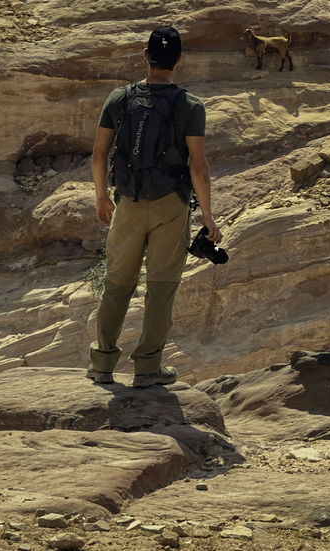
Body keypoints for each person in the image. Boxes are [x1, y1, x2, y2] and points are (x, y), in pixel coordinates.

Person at [87, 25, 221, 387]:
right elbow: (198, 167)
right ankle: (147, 368)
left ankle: (102, 363)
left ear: (146, 56)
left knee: (117, 284)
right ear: (178, 60)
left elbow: (99, 155)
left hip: (127, 204)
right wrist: (208, 217)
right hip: (171, 207)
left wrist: (101, 196)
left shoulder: (119, 98)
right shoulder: (190, 105)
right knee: (161, 288)